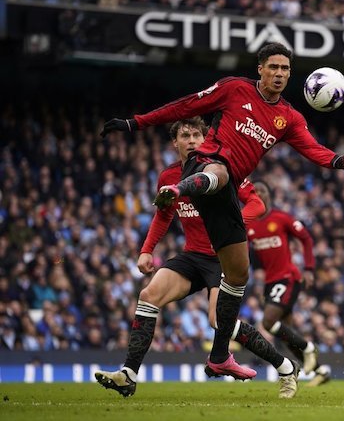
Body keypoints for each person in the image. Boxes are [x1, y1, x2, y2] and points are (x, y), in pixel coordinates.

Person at [100, 42, 344, 377]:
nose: (279, 74)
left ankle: (238, 359)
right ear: (260, 69)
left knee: (239, 276)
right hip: (206, 169)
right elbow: (184, 106)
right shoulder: (234, 89)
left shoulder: (288, 118)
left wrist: (340, 161)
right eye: (273, 67)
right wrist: (135, 123)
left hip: (223, 210)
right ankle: (129, 372)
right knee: (152, 290)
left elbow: (313, 150)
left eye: (285, 69)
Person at [95, 117, 299, 399]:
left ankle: (286, 367)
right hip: (193, 256)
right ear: (175, 142)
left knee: (219, 321)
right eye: (185, 136)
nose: (191, 141)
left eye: (196, 136)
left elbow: (257, 203)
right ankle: (128, 375)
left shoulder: (223, 168)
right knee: (148, 295)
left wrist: (234, 221)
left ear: (206, 140)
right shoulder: (168, 177)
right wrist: (146, 249)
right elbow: (163, 214)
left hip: (222, 257)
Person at [246, 181, 331, 387]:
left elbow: (306, 239)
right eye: (255, 192)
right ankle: (320, 370)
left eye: (263, 191)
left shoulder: (281, 218)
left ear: (269, 195)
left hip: (288, 277)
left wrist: (309, 269)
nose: (259, 195)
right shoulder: (248, 224)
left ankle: (309, 348)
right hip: (270, 281)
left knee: (268, 322)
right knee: (287, 334)